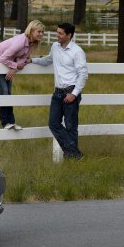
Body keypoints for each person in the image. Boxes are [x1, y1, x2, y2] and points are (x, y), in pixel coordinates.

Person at [31, 22, 88, 160]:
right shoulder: (55, 47)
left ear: (69, 35)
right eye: (57, 32)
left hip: (70, 92)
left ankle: (71, 156)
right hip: (57, 92)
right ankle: (75, 154)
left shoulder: (77, 51)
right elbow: (48, 60)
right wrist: (31, 60)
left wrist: (74, 94)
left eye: (61, 33)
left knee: (71, 127)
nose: (58, 35)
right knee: (53, 124)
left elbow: (83, 74)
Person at [0, 20, 45, 130]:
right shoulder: (20, 41)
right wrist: (14, 66)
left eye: (42, 32)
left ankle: (11, 122)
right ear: (31, 31)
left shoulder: (31, 43)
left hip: (7, 62)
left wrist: (14, 68)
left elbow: (22, 61)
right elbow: (3, 58)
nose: (41, 34)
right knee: (4, 91)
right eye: (39, 32)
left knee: (8, 92)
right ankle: (5, 123)